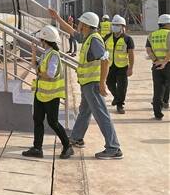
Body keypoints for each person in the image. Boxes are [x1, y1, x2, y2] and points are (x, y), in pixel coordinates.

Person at [48, 9, 123, 159]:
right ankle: (77, 137)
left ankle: (113, 148)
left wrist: (102, 83)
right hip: (87, 83)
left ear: (87, 25)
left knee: (101, 115)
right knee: (84, 112)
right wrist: (57, 18)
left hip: (93, 84)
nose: (78, 25)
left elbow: (105, 60)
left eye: (81, 23)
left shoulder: (94, 40)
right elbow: (72, 32)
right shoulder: (88, 37)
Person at [22, 25, 74, 160]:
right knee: (37, 119)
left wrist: (39, 73)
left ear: (45, 41)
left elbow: (50, 74)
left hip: (51, 95)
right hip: (41, 93)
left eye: (41, 40)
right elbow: (35, 66)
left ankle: (67, 146)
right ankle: (37, 148)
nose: (40, 42)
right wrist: (34, 52)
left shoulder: (54, 55)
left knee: (53, 122)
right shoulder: (46, 53)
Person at [104, 15, 135, 114]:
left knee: (122, 87)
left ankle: (120, 105)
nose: (115, 26)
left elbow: (131, 54)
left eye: (117, 25)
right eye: (113, 24)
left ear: (122, 26)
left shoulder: (128, 39)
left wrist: (131, 67)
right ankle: (117, 98)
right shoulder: (107, 37)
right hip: (109, 66)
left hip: (122, 66)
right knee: (109, 83)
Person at [146, 14, 170, 120]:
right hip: (168, 64)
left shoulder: (152, 35)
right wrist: (165, 61)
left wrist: (156, 61)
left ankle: (157, 114)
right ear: (167, 24)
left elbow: (148, 50)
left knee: (158, 90)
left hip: (156, 65)